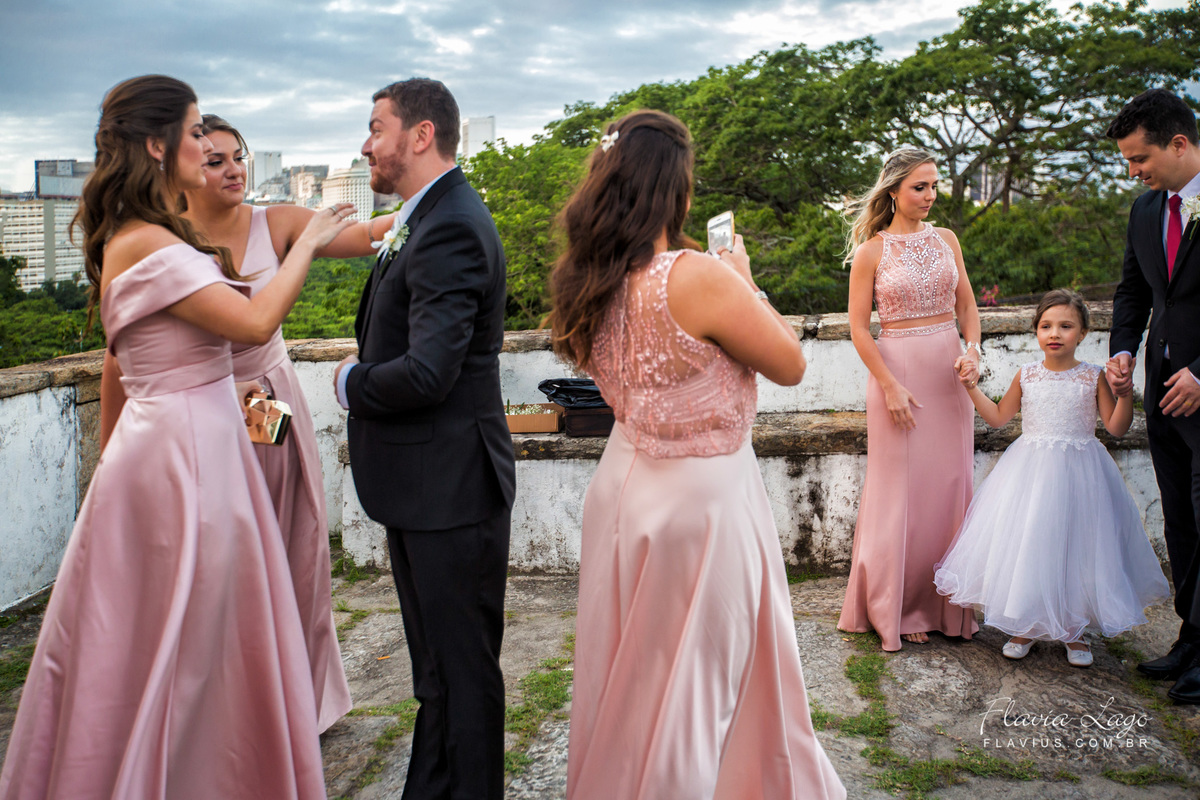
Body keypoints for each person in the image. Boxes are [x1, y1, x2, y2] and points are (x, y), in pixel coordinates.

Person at [0, 75, 353, 800]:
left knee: (189, 630)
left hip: (184, 444)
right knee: (189, 635)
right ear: (160, 145)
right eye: (197, 134)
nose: (209, 147)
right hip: (186, 457)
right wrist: (309, 241)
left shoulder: (142, 236)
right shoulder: (148, 242)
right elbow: (255, 325)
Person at [554, 110, 845, 800]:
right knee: (702, 678)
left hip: (623, 488)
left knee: (631, 667)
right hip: (702, 503)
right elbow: (792, 365)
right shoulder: (698, 277)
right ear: (673, 188)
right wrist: (745, 279)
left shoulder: (586, 277)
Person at [175, 113, 396, 731]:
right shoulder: (166, 240)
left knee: (292, 547)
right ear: (184, 169)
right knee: (217, 562)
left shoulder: (274, 222)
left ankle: (300, 704)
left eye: (237, 156)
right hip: (201, 406)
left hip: (266, 403)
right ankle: (223, 708)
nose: (233, 169)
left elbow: (366, 235)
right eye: (215, 160)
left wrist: (426, 205)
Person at [331, 78, 514, 800]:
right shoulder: (424, 216)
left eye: (376, 127)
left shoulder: (451, 226)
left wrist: (349, 383)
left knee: (463, 673)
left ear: (420, 134)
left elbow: (428, 373)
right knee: (435, 670)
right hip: (425, 485)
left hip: (452, 486)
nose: (366, 143)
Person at [935, 290, 1170, 667]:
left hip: (1081, 473)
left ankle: (1074, 630)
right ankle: (1025, 625)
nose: (1054, 333)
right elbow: (998, 417)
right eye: (1046, 326)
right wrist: (970, 388)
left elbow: (1117, 427)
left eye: (1065, 325)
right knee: (1032, 543)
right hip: (1030, 473)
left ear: (1083, 332)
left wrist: (1124, 395)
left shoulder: (1093, 377)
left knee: (1076, 547)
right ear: (1036, 331)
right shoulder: (1026, 374)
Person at [836, 146, 981, 651]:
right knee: (901, 494)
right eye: (919, 187)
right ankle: (902, 605)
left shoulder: (947, 239)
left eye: (933, 186)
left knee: (948, 485)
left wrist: (974, 351)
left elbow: (967, 304)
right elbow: (857, 329)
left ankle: (949, 603)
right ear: (893, 190)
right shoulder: (872, 251)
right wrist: (890, 385)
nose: (929, 195)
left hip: (947, 375)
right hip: (896, 376)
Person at [1105, 88, 1200, 702]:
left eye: (1139, 159)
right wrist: (1122, 348)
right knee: (1182, 519)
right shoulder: (1146, 211)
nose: (1133, 172)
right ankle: (1192, 638)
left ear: (1180, 144)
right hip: (1162, 394)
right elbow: (1133, 291)